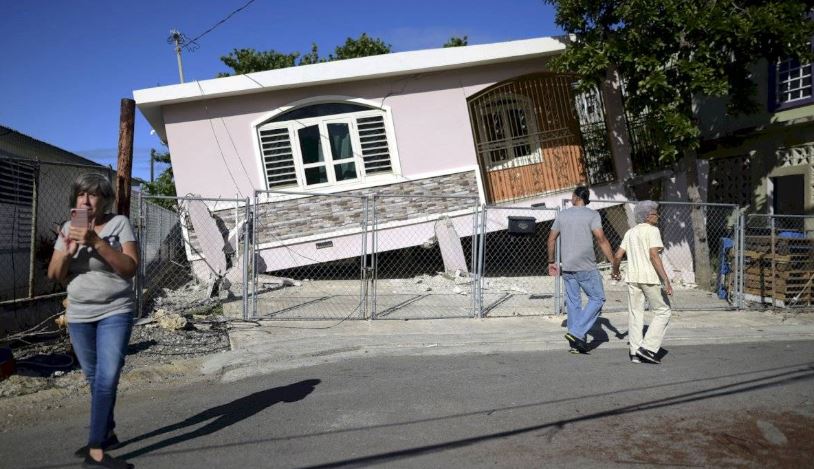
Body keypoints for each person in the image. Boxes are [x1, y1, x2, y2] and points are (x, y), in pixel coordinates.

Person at [48, 173, 138, 469]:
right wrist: (68, 252)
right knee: (94, 378)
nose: (86, 200)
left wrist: (96, 242)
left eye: (94, 195)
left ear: (105, 200)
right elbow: (54, 276)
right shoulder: (67, 229)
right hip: (79, 314)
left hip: (115, 310)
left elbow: (129, 269)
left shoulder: (118, 224)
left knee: (107, 377)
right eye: (81, 195)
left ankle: (96, 451)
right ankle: (108, 432)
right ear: (75, 200)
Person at [547, 186, 615, 354]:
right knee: (597, 298)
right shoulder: (593, 215)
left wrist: (551, 261)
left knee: (573, 302)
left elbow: (551, 239)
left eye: (572, 195)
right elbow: (600, 238)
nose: (571, 198)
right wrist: (613, 261)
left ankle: (577, 344)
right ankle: (576, 333)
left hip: (568, 266)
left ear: (577, 197)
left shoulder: (562, 215)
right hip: (586, 266)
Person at [611, 200, 673, 365]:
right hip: (649, 278)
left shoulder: (630, 233)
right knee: (663, 311)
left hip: (632, 278)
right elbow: (654, 255)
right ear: (647, 216)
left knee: (635, 314)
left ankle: (635, 352)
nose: (657, 216)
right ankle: (648, 348)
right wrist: (666, 280)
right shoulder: (653, 231)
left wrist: (615, 272)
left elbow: (617, 256)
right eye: (654, 213)